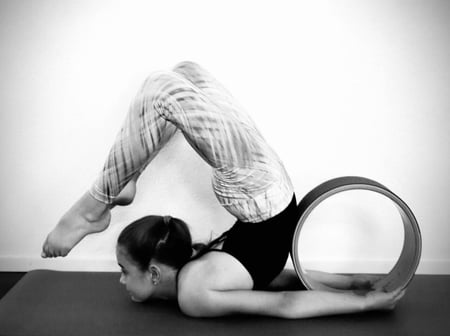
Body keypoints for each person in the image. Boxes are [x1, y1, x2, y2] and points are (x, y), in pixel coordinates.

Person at [41, 62, 405, 318]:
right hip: (259, 190)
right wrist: (360, 298)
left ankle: (107, 195)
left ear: (153, 273)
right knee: (161, 90)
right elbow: (283, 295)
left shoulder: (198, 280)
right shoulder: (198, 287)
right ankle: (102, 199)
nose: (120, 279)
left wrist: (354, 286)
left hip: (263, 192)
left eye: (123, 270)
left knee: (186, 72)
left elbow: (278, 285)